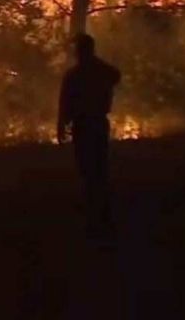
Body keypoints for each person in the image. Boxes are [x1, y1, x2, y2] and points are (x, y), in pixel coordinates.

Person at [57, 32, 120, 232]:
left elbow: (65, 103)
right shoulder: (100, 71)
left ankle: (94, 210)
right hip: (96, 124)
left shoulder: (74, 75)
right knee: (97, 167)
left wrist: (62, 125)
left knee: (88, 167)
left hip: (84, 125)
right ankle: (99, 209)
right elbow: (115, 76)